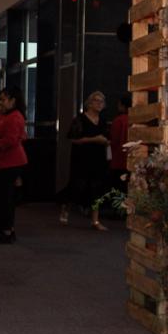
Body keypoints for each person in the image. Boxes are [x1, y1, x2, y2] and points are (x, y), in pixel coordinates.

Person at [59, 90, 109, 230]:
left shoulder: (103, 120)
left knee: (97, 188)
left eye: (102, 102)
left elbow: (106, 136)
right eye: (96, 101)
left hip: (98, 158)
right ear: (89, 103)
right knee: (77, 185)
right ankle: (66, 207)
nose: (99, 104)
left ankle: (95, 220)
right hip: (82, 158)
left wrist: (105, 141)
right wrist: (94, 139)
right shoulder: (80, 119)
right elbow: (73, 139)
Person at [0, 86, 28, 244]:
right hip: (1, 162)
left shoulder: (15, 117)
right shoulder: (2, 115)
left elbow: (10, 140)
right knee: (0, 197)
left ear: (13, 101)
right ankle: (1, 228)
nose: (1, 103)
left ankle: (7, 230)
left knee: (6, 199)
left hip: (11, 162)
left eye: (4, 99)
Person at [110, 93, 131, 190]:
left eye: (119, 105)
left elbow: (114, 140)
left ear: (123, 106)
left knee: (118, 188)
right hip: (132, 159)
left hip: (119, 159)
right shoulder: (134, 119)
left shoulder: (118, 120)